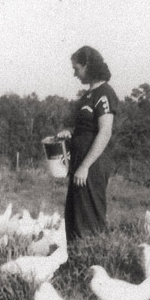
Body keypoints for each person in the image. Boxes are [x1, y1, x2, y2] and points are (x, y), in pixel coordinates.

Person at [57, 46, 119, 242]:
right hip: (78, 164)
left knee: (89, 217)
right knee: (74, 216)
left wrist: (85, 166)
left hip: (91, 165)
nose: (74, 74)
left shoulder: (104, 93)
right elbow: (86, 129)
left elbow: (105, 131)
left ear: (88, 66)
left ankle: (94, 261)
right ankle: (76, 263)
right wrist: (71, 133)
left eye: (77, 68)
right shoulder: (87, 96)